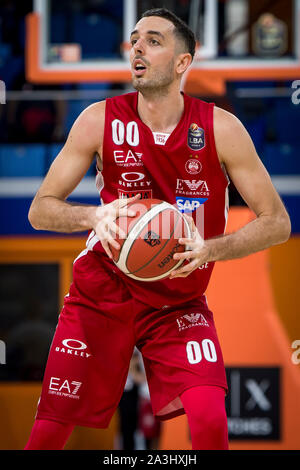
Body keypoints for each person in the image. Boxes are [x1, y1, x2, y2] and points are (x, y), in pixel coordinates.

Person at [25, 8, 290, 450]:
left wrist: (209, 250)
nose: (137, 50)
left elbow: (277, 222)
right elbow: (40, 210)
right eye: (134, 40)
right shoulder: (98, 119)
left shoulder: (220, 129)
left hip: (176, 298)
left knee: (209, 422)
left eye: (153, 40)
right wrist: (93, 216)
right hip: (102, 294)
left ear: (183, 62)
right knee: (49, 431)